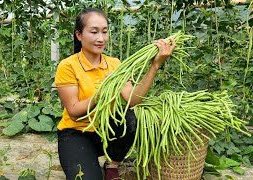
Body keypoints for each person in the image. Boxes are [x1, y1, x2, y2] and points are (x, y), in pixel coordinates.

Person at [54, 7, 176, 180]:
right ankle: (87, 160)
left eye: (104, 32)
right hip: (77, 133)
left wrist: (155, 65)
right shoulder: (68, 66)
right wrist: (104, 90)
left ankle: (112, 164)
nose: (101, 38)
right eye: (94, 32)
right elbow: (73, 112)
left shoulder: (115, 64)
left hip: (106, 132)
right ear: (79, 35)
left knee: (130, 117)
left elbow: (133, 100)